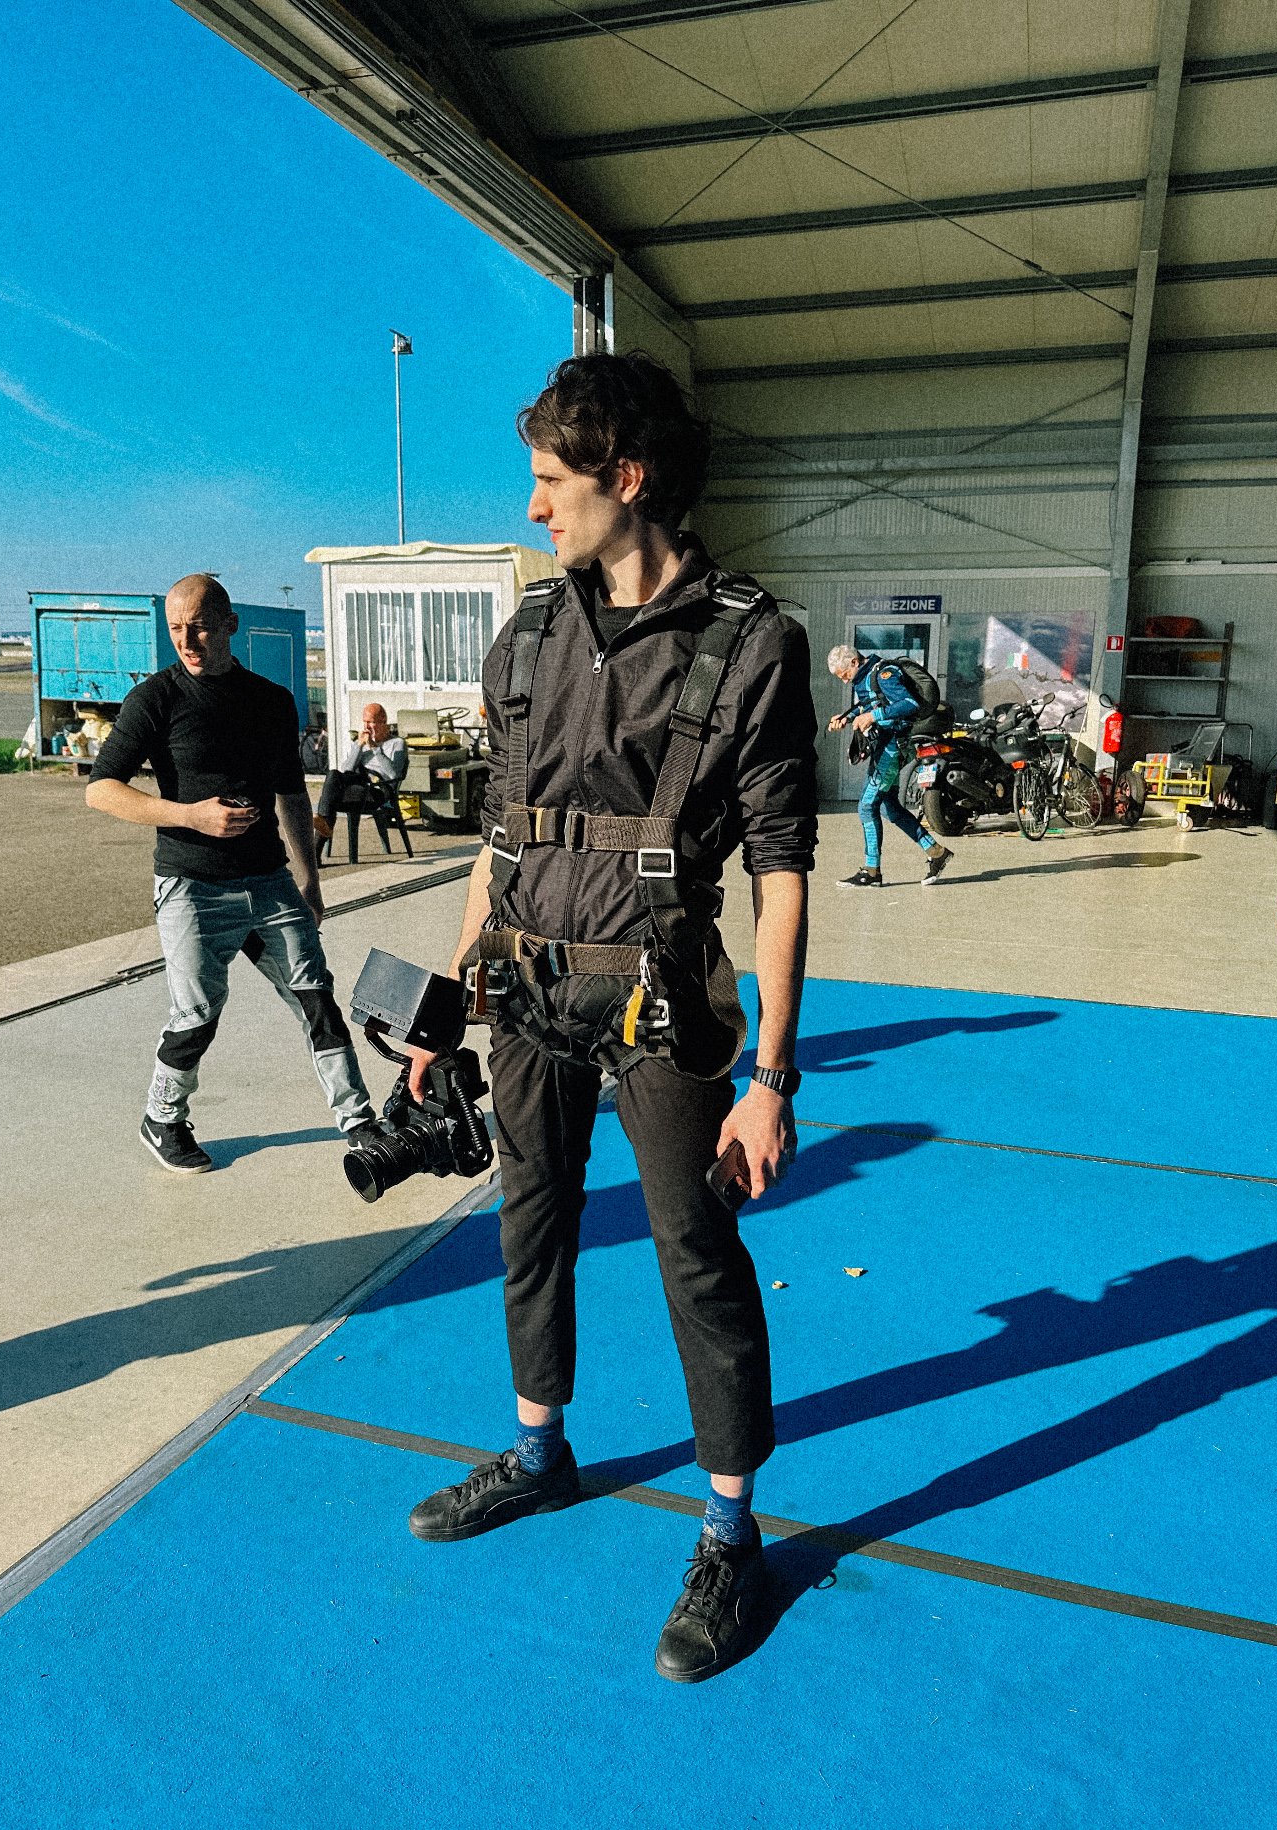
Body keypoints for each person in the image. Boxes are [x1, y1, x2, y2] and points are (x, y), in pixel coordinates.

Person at [401, 352, 818, 1683]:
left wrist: (772, 1073)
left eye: (549, 481)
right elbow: (500, 838)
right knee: (531, 1217)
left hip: (662, 999)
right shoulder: (527, 634)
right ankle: (539, 1452)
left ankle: (731, 1530)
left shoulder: (754, 641)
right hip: (525, 983)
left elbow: (783, 867)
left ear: (625, 477)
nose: (534, 509)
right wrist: (444, 996)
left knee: (695, 1248)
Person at [86, 573, 384, 1173]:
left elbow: (290, 796)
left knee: (316, 1000)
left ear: (229, 624)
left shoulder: (271, 701)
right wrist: (190, 815)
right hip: (192, 884)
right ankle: (162, 1118)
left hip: (269, 882)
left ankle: (359, 1122)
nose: (187, 640)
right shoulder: (155, 700)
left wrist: (310, 879)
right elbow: (102, 791)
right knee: (197, 1013)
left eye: (198, 625)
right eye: (175, 628)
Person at [827, 643, 952, 888]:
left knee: (866, 806)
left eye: (844, 675)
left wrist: (873, 717)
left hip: (892, 748)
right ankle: (936, 852)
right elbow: (870, 704)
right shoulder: (865, 679)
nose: (844, 681)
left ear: (854, 662)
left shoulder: (884, 673)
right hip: (886, 746)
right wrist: (847, 717)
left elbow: (909, 704)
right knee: (891, 807)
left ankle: (872, 871)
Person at [312, 702, 408, 858]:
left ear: (383, 721)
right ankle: (323, 824)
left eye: (371, 722)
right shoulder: (361, 741)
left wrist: (375, 748)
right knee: (334, 775)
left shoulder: (397, 744)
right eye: (364, 721)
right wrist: (359, 746)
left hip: (379, 790)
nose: (367, 726)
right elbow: (347, 769)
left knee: (331, 801)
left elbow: (392, 775)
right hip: (359, 785)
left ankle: (317, 850)